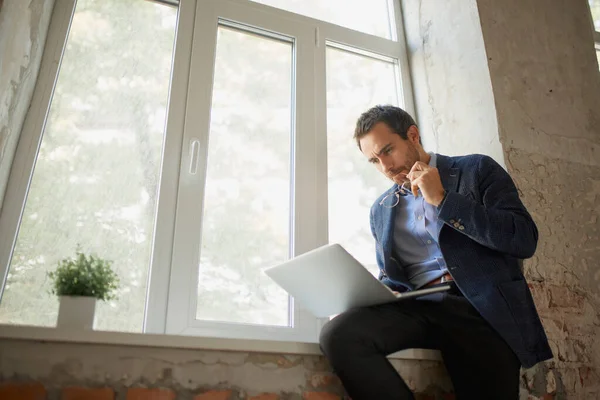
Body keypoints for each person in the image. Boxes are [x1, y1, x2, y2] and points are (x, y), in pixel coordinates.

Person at [319, 105, 553, 400]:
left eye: (388, 150)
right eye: (374, 161)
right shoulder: (381, 208)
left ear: (413, 135)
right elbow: (392, 275)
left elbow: (523, 239)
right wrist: (369, 294)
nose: (385, 167)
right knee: (339, 334)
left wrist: (443, 199)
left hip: (478, 309)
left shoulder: (475, 170)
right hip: (416, 306)